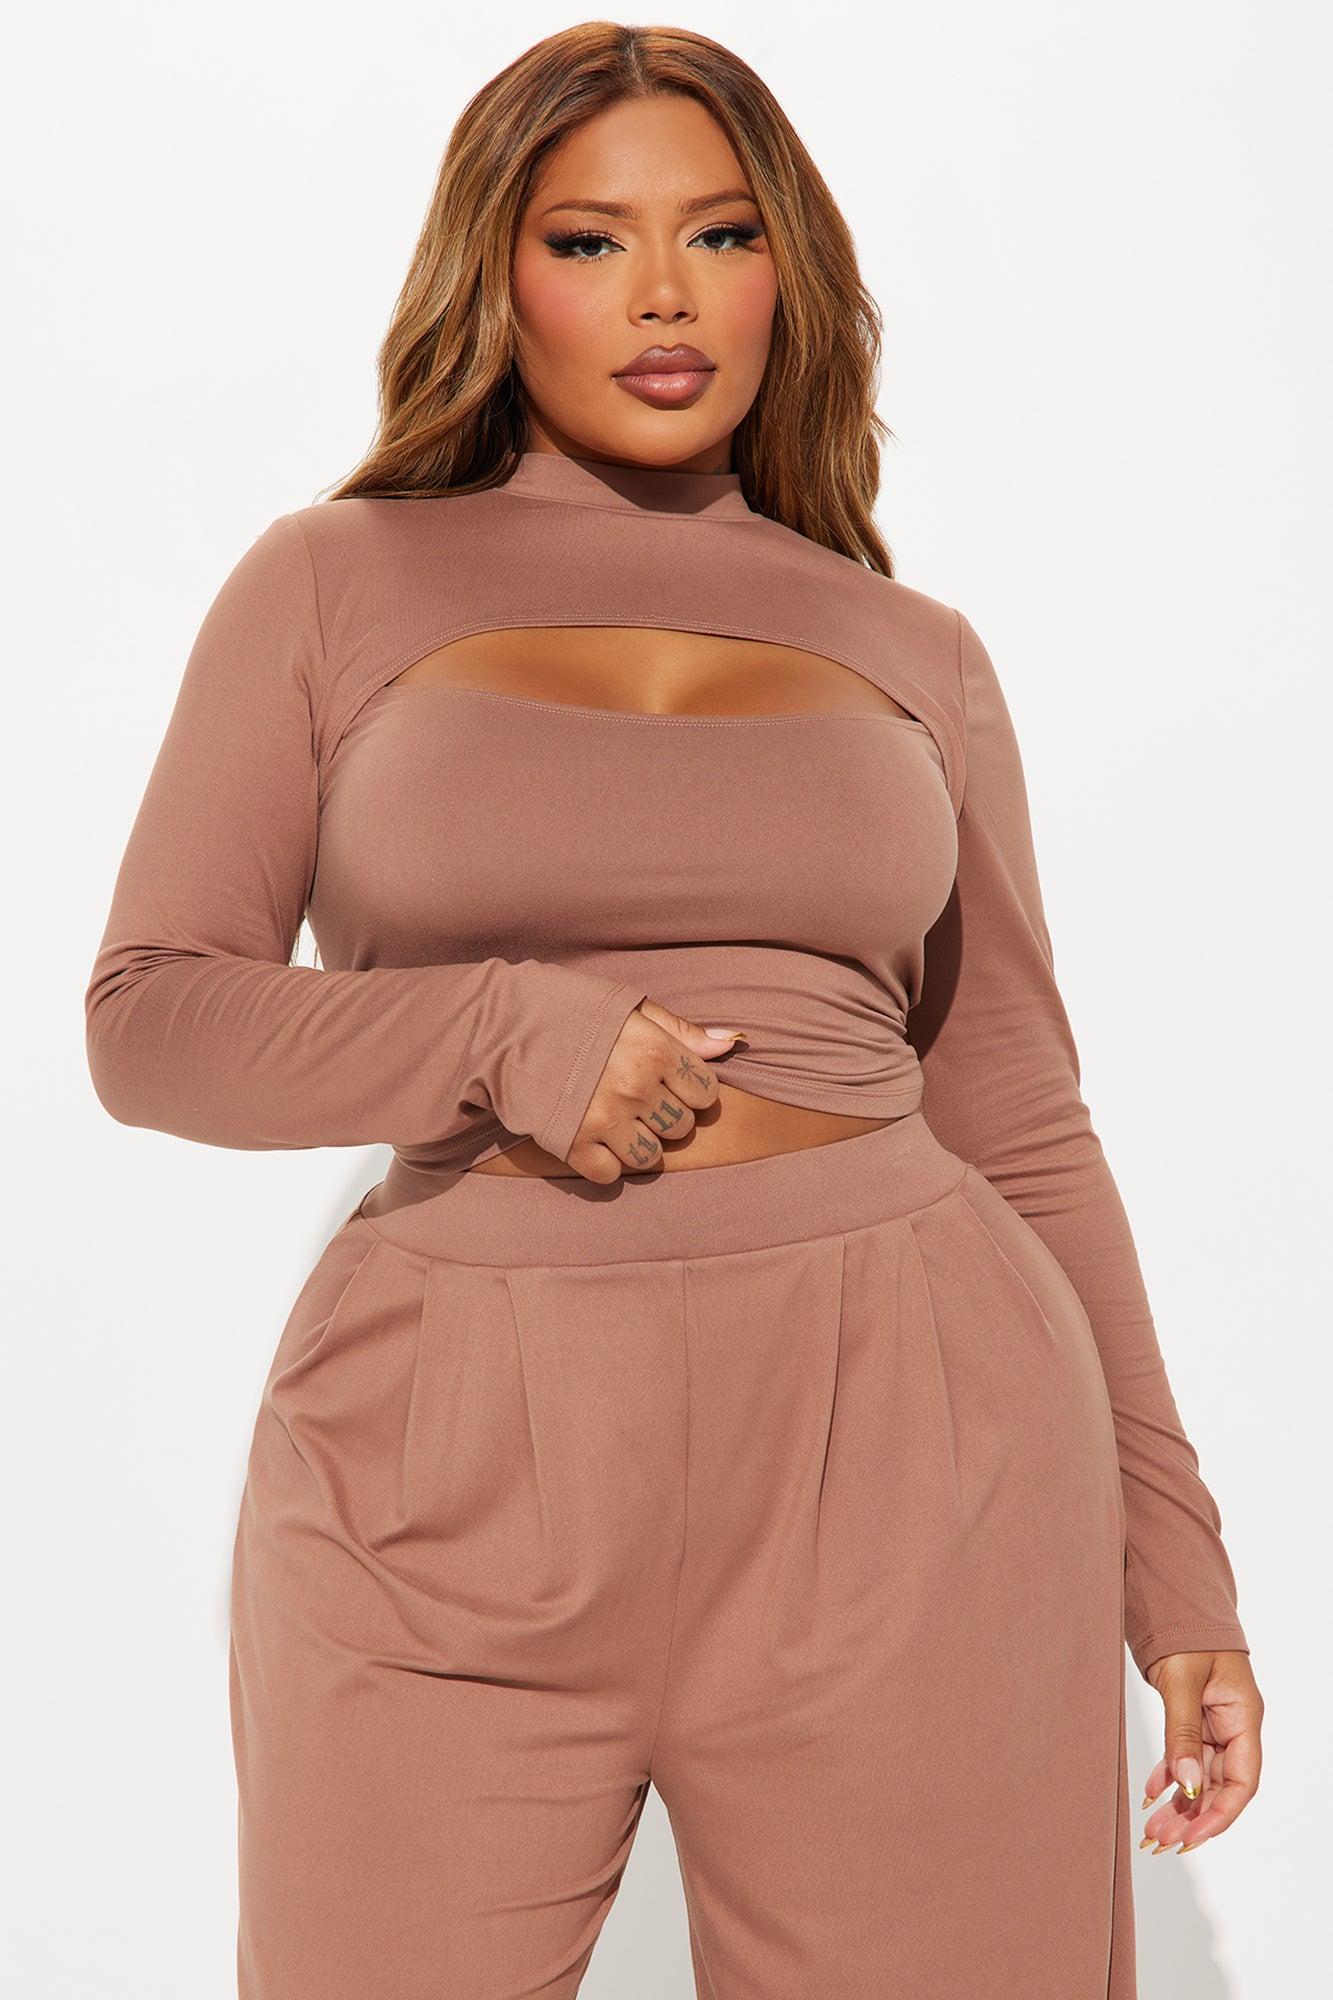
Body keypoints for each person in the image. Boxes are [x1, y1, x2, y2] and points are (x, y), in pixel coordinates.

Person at [83, 22, 1262, 1999]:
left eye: (718, 235)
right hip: (447, 1439)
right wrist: (498, 1036)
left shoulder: (911, 647)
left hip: (916, 1427)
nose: (661, 294)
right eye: (588, 239)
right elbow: (151, 1019)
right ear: (494, 272)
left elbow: (1020, 1112)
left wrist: (1177, 1563)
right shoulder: (329, 583)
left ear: (788, 273)